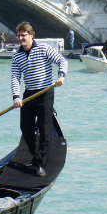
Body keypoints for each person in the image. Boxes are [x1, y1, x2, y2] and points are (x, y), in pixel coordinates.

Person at [11, 21, 67, 177]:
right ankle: (36, 156)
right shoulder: (17, 55)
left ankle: (40, 163)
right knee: (25, 128)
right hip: (29, 94)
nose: (21, 38)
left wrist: (61, 76)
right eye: (19, 36)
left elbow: (62, 61)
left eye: (24, 35)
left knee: (44, 129)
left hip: (46, 93)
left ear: (31, 36)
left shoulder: (44, 48)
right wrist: (16, 97)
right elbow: (15, 77)